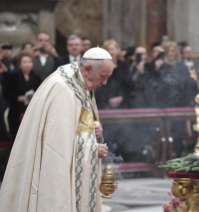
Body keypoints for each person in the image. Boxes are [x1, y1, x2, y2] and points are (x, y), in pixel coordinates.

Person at [0, 47, 113, 211]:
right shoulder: (63, 90)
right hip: (56, 175)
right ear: (88, 69)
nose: (105, 83)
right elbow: (55, 148)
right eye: (103, 77)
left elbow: (78, 127)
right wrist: (92, 149)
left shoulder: (80, 84)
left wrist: (94, 133)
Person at [3, 51, 41, 140]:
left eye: (29, 62)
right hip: (16, 111)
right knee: (17, 138)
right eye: (24, 62)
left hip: (32, 112)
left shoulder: (36, 77)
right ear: (20, 64)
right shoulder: (13, 76)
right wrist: (18, 98)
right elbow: (6, 93)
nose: (27, 64)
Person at [95, 39, 129, 109]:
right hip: (104, 105)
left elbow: (128, 85)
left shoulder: (124, 66)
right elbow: (98, 86)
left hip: (123, 104)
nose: (110, 52)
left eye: (112, 49)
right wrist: (109, 99)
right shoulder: (99, 67)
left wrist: (121, 97)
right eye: (108, 50)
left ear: (117, 50)